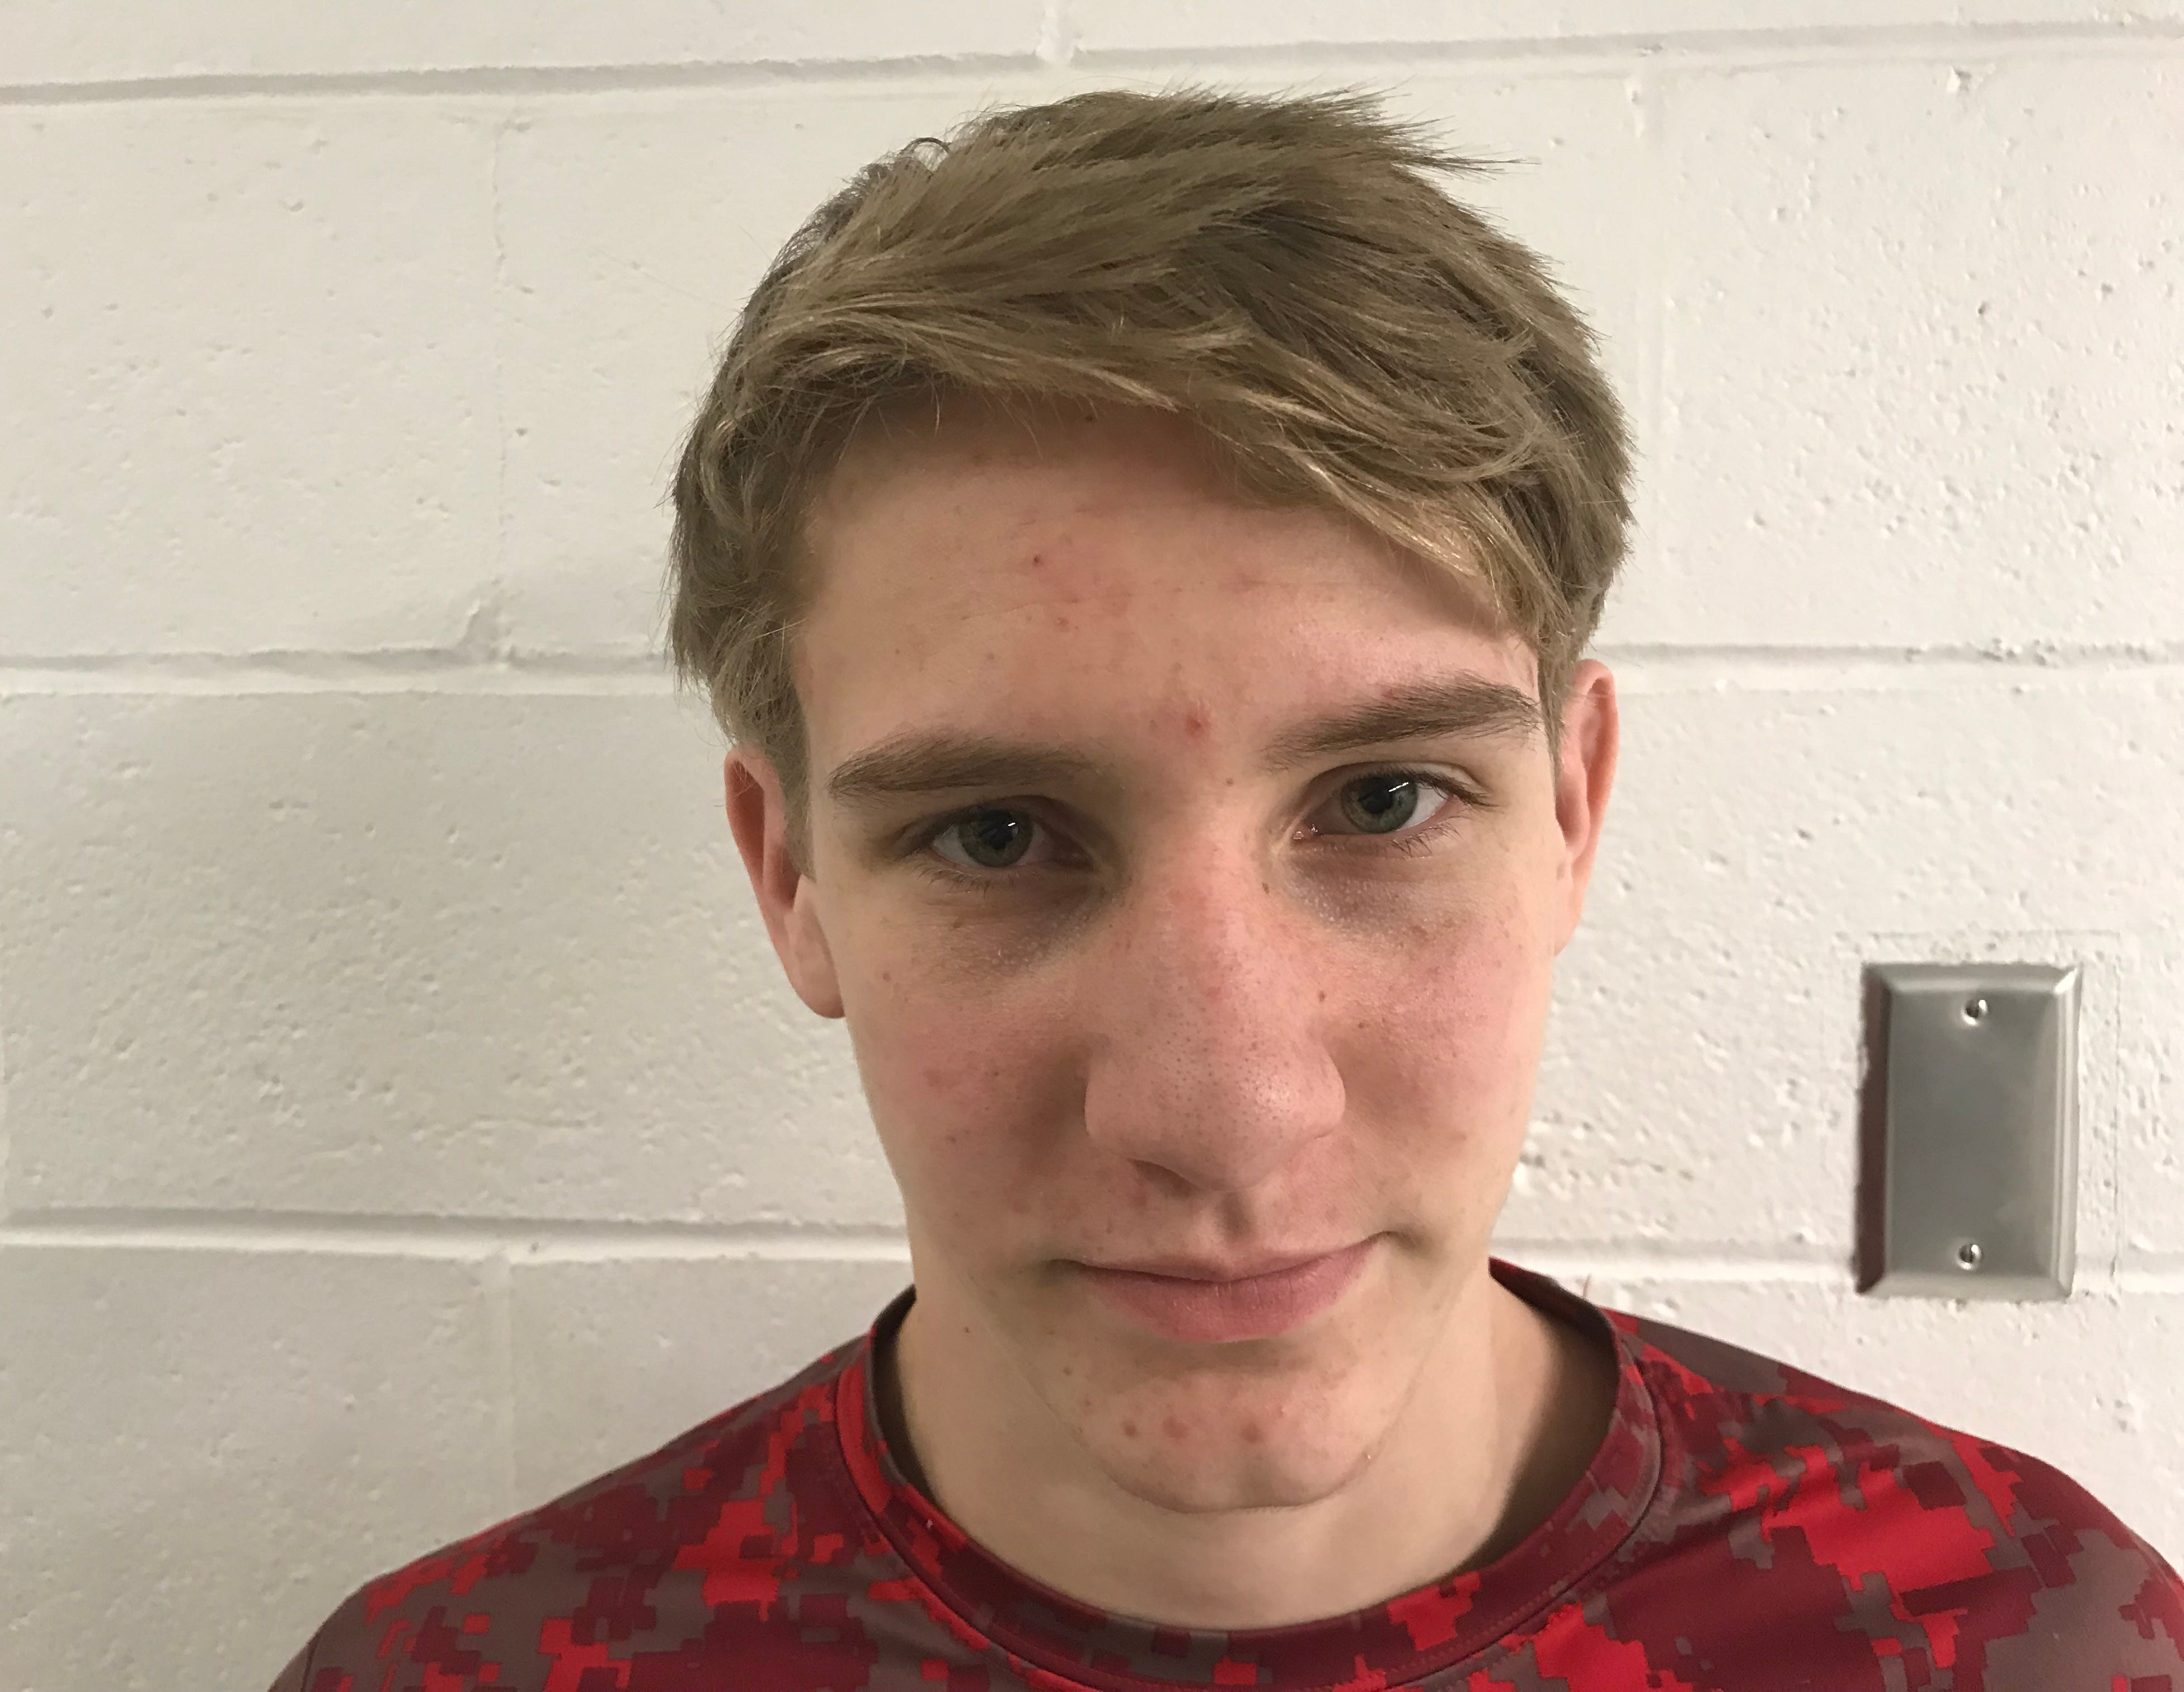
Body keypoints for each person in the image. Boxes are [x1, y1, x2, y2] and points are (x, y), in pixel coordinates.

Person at [269, 84, 2183, 1691]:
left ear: (1573, 810)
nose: (1225, 1111)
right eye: (997, 835)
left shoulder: (2024, 1639)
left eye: (1383, 802)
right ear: (792, 881)